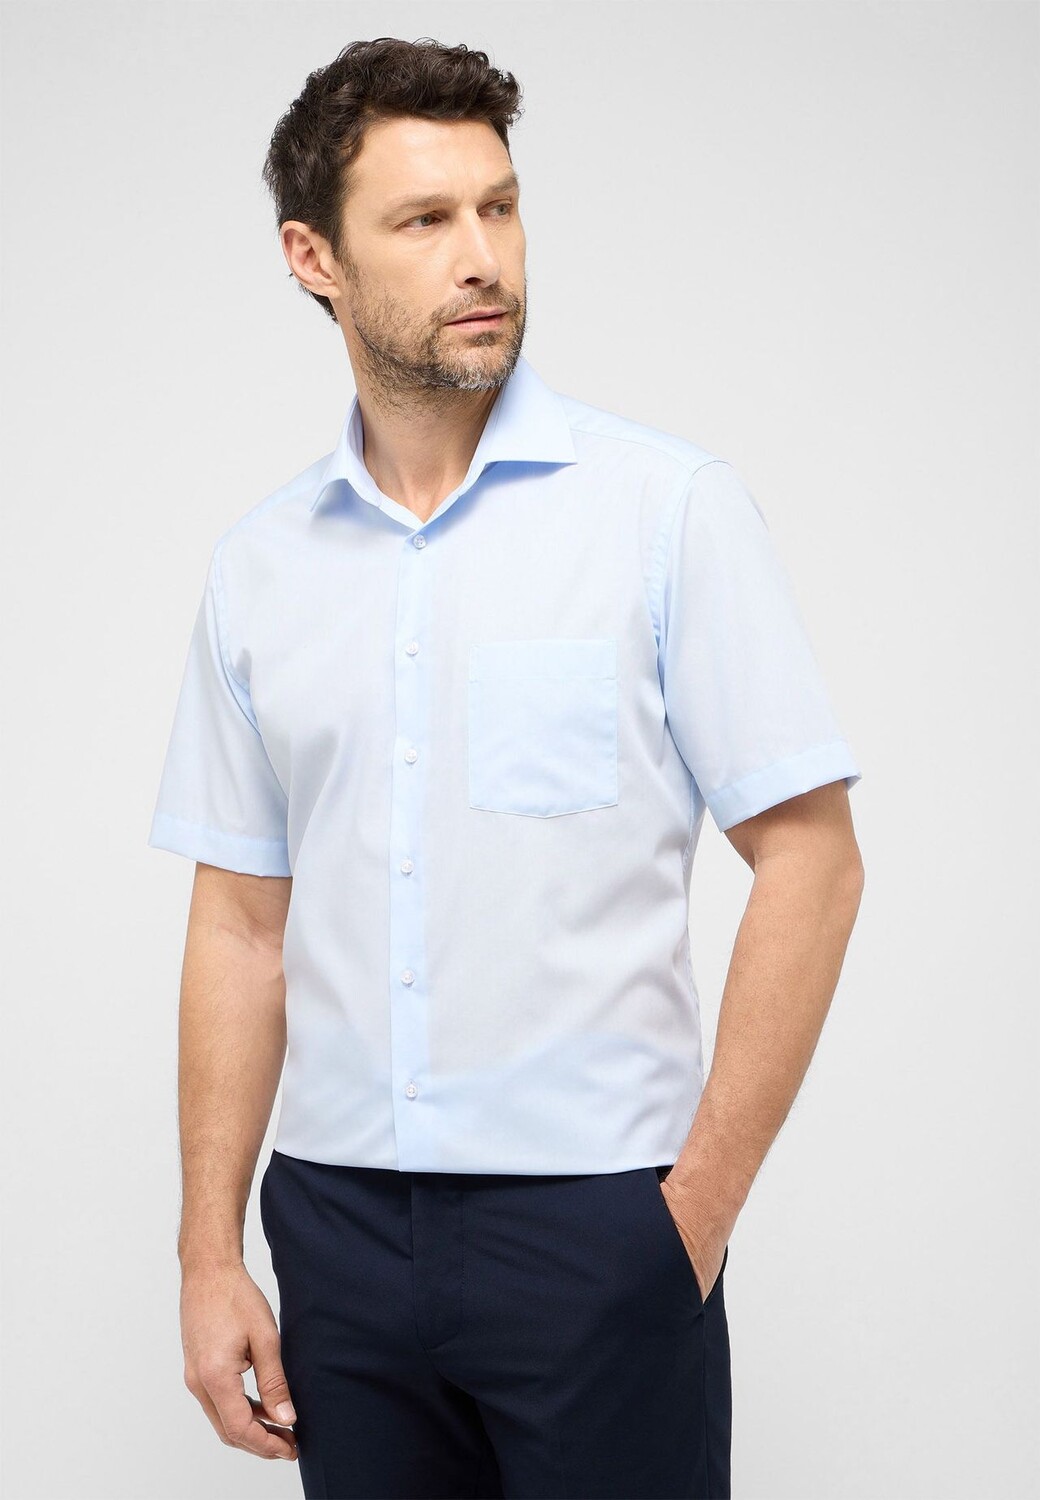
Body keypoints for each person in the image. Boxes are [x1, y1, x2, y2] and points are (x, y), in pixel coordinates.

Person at [147, 34, 865, 1500]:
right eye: (424, 219)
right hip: (339, 1232)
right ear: (314, 258)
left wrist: (695, 1211)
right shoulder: (260, 571)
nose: (482, 255)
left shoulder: (665, 513)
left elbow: (812, 857)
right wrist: (210, 1252)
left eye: (499, 206)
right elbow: (239, 926)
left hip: (600, 1230)